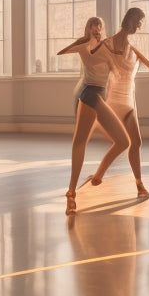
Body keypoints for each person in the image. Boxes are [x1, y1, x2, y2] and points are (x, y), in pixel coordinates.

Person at [57, 16, 129, 219]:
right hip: (90, 94)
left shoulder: (108, 47)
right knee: (80, 143)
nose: (96, 28)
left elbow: (119, 71)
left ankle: (91, 180)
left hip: (100, 95)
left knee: (122, 142)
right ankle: (72, 192)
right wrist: (82, 41)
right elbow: (61, 52)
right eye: (92, 25)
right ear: (87, 28)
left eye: (99, 26)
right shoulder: (84, 47)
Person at [93, 7, 149, 198]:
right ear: (130, 20)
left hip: (129, 100)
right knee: (123, 143)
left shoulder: (132, 48)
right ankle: (98, 175)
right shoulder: (106, 45)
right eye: (138, 23)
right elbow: (92, 61)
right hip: (114, 101)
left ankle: (139, 184)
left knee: (136, 142)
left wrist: (137, 52)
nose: (138, 27)